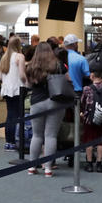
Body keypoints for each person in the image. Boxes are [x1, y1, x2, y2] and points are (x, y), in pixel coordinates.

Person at [26, 42, 67, 178]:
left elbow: (28, 84)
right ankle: (48, 168)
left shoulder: (30, 66)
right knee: (51, 135)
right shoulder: (57, 65)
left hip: (37, 102)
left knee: (37, 135)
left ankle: (32, 166)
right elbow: (65, 80)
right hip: (55, 101)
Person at [0, 37, 27, 150]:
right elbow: (21, 75)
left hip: (6, 89)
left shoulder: (4, 57)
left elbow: (0, 76)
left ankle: (8, 141)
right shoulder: (20, 57)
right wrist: (27, 82)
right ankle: (15, 140)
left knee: (10, 114)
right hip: (17, 89)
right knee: (17, 115)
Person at [80, 71, 102, 172]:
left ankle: (89, 164)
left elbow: (82, 103)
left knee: (89, 140)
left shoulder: (87, 89)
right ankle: (99, 164)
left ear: (92, 76)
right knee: (100, 140)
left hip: (90, 118)